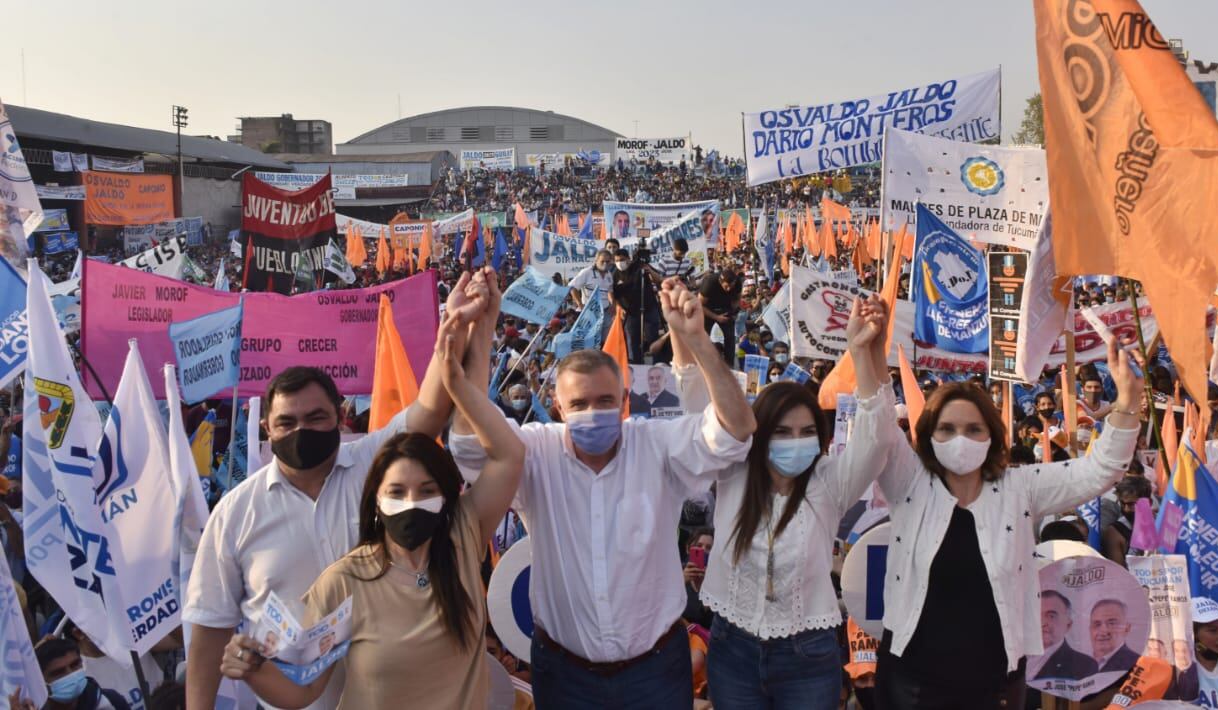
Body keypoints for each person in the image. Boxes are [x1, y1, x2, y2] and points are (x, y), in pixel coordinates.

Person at [184, 270, 498, 710]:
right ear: (265, 429)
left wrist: (456, 325)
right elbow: (209, 630)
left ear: (340, 414)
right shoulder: (235, 515)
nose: (301, 431)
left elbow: (431, 407)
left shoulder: (377, 467)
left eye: (315, 418)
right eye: (286, 423)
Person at [449, 278, 755, 709]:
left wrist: (697, 340)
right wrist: (482, 332)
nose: (593, 413)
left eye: (605, 401)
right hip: (565, 673)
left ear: (625, 400)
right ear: (558, 408)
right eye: (579, 405)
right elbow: (467, 448)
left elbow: (736, 431)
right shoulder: (535, 451)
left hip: (656, 671)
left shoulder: (656, 445)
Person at [851, 293, 1144, 708]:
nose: (960, 439)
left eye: (973, 429)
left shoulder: (1018, 487)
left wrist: (1128, 405)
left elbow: (1098, 470)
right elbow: (878, 424)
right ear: (929, 437)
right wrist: (867, 351)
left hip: (993, 680)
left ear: (992, 436)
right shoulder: (910, 482)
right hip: (911, 678)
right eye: (947, 429)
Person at [671, 295, 890, 708]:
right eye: (782, 432)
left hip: (808, 655)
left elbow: (877, 437)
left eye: (806, 431)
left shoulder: (830, 481)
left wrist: (861, 351)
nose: (796, 442)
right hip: (732, 649)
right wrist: (687, 339)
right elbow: (697, 408)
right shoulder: (733, 470)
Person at [23, 637, 129, 710]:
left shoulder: (111, 701)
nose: (70, 674)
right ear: (41, 680)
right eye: (59, 672)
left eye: (74, 665)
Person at [1032, 590, 1097, 681]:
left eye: (1051, 616)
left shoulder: (1084, 665)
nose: (1042, 623)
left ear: (1068, 625)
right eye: (1037, 616)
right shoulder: (1017, 658)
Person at [611, 248, 661, 362]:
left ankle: (658, 362)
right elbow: (614, 295)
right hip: (630, 312)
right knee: (633, 340)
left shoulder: (639, 267)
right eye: (617, 260)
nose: (620, 263)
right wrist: (618, 307)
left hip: (649, 308)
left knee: (652, 337)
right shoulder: (615, 275)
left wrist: (648, 270)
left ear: (628, 259)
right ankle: (637, 365)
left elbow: (658, 279)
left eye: (622, 260)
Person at [1102, 476, 1152, 566]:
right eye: (1122, 503)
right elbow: (1119, 573)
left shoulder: (1161, 524)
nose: (1126, 509)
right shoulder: (1115, 532)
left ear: (1149, 503)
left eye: (1132, 504)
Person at [699, 270, 740, 365]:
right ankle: (703, 363)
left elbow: (737, 298)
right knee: (703, 337)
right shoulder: (709, 283)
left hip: (725, 308)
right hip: (708, 309)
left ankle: (729, 365)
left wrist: (734, 311)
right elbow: (700, 305)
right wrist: (716, 317)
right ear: (720, 282)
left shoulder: (737, 283)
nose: (729, 289)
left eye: (731, 286)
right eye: (726, 286)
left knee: (730, 337)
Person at [1089, 599, 1140, 672]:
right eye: (1097, 624)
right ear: (1090, 629)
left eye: (1112, 623)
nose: (1103, 631)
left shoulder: (1137, 664)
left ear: (1126, 628)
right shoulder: (1080, 664)